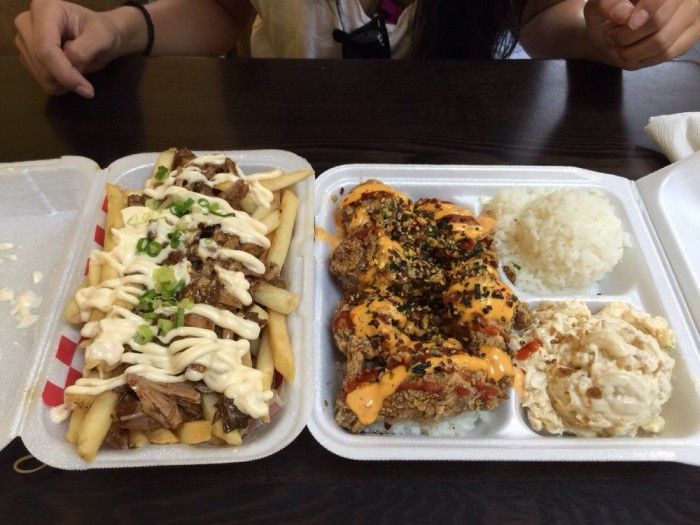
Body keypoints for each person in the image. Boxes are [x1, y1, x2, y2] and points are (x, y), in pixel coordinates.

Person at [14, 0, 700, 99]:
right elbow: (226, 10)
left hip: (466, 152)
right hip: (273, 141)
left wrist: (610, 32)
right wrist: (120, 29)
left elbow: (539, 18)